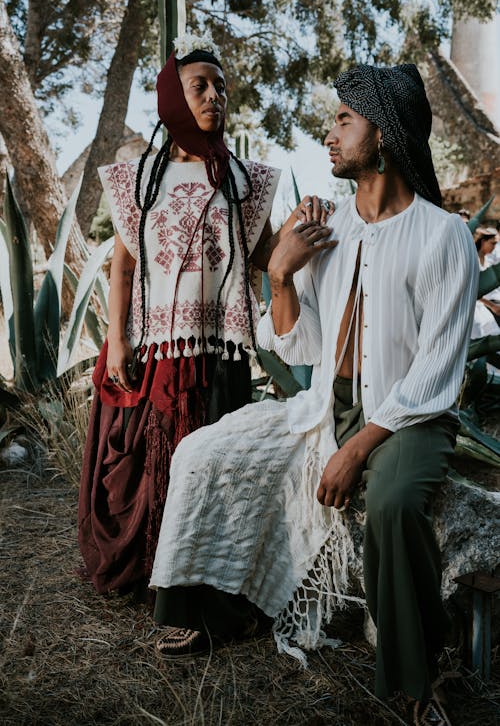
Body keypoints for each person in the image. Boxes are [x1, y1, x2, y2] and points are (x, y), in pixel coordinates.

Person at [150, 63, 478, 725]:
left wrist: (358, 447)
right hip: (326, 407)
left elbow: (439, 369)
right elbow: (301, 351)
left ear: (382, 135)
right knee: (202, 451)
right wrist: (279, 273)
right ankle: (203, 609)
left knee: (390, 502)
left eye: (343, 121)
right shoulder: (329, 232)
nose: (328, 135)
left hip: (411, 417)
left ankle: (418, 682)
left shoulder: (445, 235)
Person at [78, 33, 331, 595]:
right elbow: (121, 268)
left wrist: (301, 227)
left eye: (220, 87)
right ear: (172, 99)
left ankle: (196, 577)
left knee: (210, 464)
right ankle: (150, 573)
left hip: (219, 352)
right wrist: (117, 339)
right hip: (154, 348)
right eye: (200, 87)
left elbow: (263, 256)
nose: (214, 96)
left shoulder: (245, 182)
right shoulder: (139, 180)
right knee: (146, 469)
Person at [471, 225, 500, 337]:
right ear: (483, 242)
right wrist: (492, 306)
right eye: (492, 243)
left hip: (486, 305)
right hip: (478, 307)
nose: (494, 246)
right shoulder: (474, 260)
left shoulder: (487, 260)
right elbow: (474, 290)